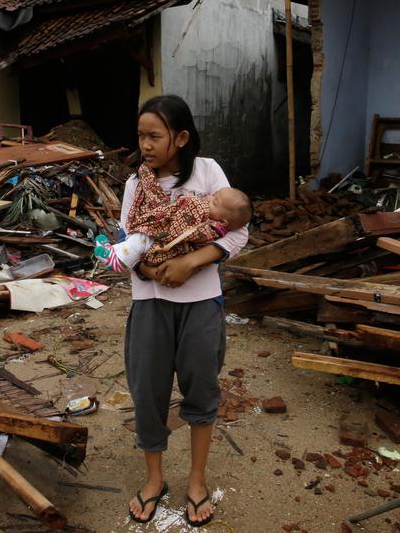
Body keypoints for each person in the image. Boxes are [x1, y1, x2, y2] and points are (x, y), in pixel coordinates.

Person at [121, 95, 247, 527]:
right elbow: (127, 242)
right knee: (148, 392)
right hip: (150, 305)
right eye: (141, 136)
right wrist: (153, 269)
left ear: (181, 137)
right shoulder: (136, 185)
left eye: (155, 136)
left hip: (200, 305)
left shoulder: (208, 173)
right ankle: (154, 479)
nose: (147, 145)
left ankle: (196, 480)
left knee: (201, 389)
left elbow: (237, 231)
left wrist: (190, 261)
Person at [95, 178, 251, 272]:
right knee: (138, 236)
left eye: (214, 201)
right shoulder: (135, 181)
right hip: (149, 289)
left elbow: (190, 233)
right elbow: (127, 227)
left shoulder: (213, 228)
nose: (209, 197)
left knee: (143, 238)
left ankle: (118, 259)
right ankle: (116, 252)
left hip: (169, 247)